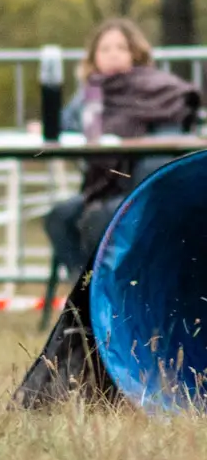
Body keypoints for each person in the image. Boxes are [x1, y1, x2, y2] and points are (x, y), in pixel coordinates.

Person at [43, 17, 202, 287]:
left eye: (120, 47)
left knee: (100, 217)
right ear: (93, 57)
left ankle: (118, 290)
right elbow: (65, 126)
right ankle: (86, 289)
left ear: (135, 53)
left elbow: (172, 140)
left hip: (141, 188)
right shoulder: (89, 95)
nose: (113, 54)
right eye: (105, 49)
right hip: (101, 188)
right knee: (60, 216)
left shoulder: (160, 90)